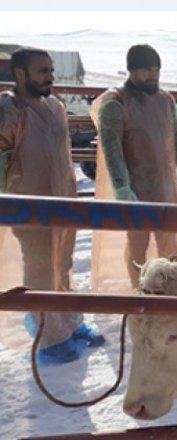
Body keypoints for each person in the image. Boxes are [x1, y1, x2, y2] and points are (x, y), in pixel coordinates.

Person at [0, 48, 104, 365]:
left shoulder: (55, 105)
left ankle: (70, 323)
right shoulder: (10, 109)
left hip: (64, 203)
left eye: (51, 69)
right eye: (42, 71)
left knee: (64, 265)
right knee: (41, 270)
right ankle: (49, 338)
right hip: (29, 206)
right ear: (20, 74)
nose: (50, 76)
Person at [90, 44, 177, 291]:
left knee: (169, 240)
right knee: (138, 242)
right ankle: (139, 290)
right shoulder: (116, 103)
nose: (153, 75)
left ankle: (170, 288)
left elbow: (175, 137)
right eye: (147, 70)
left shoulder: (165, 99)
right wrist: (122, 186)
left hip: (165, 183)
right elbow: (112, 150)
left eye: (156, 69)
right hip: (136, 185)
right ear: (132, 70)